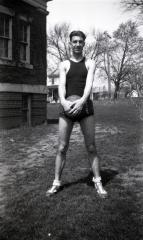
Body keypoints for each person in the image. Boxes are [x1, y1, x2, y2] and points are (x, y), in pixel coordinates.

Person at [46, 30, 107, 198]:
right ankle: (56, 183)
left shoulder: (90, 63)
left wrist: (81, 102)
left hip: (85, 108)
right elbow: (61, 86)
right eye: (75, 41)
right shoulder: (64, 64)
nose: (78, 44)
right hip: (67, 108)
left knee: (91, 146)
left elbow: (88, 85)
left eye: (80, 41)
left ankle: (98, 182)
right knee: (62, 147)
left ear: (84, 44)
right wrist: (64, 103)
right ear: (70, 43)